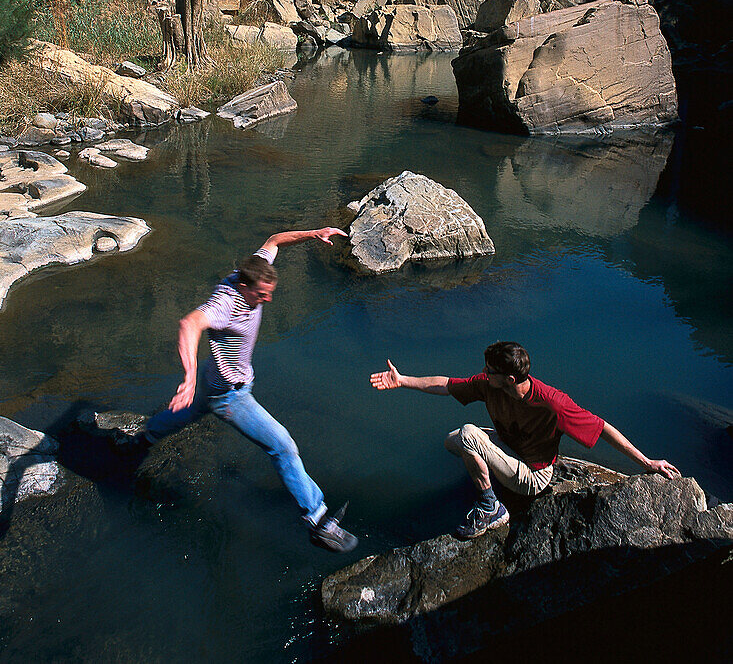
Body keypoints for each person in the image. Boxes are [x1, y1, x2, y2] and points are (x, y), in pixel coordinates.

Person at [143, 226, 357, 553]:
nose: (267, 300)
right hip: (230, 395)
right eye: (261, 294)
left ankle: (143, 437)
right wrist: (188, 376)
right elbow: (189, 324)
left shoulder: (252, 271)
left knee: (187, 411)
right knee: (283, 446)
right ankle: (317, 519)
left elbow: (274, 241)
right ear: (244, 286)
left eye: (270, 292)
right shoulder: (226, 303)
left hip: (213, 380)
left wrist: (315, 233)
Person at [370, 340, 680, 539]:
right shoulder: (491, 385)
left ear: (510, 379)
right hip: (511, 449)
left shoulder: (552, 403)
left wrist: (647, 462)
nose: (482, 372)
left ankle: (491, 508)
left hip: (533, 474)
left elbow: (603, 429)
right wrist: (403, 380)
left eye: (489, 370)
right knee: (454, 441)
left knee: (467, 435)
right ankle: (490, 484)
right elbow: (447, 385)